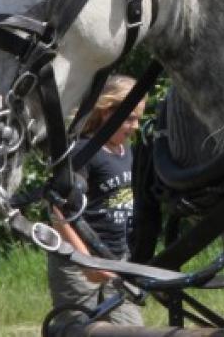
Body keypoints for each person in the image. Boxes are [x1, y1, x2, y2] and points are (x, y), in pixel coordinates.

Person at [46, 74, 145, 327]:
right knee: (78, 330)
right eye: (130, 117)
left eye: (138, 119)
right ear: (106, 112)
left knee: (132, 330)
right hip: (78, 261)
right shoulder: (83, 151)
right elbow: (58, 211)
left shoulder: (127, 151)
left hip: (115, 258)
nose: (135, 126)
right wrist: (85, 261)